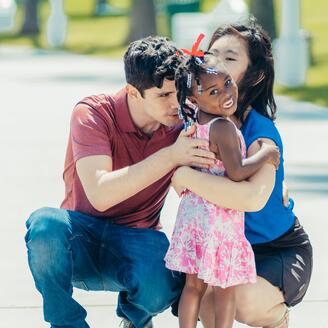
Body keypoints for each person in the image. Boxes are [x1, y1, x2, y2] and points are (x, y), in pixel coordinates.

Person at [24, 36, 217, 328]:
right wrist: (171, 156)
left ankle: (134, 318)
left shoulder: (184, 124)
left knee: (165, 274)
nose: (176, 103)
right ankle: (67, 324)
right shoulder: (93, 114)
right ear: (133, 92)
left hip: (138, 240)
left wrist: (267, 177)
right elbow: (101, 194)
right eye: (163, 95)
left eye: (177, 92)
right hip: (81, 238)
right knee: (44, 225)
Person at [171, 22, 313, 328]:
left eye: (230, 59)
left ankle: (276, 317)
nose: (216, 64)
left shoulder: (260, 133)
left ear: (254, 75)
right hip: (221, 240)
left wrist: (184, 175)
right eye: (212, 55)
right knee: (205, 300)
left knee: (240, 301)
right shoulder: (197, 124)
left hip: (275, 249)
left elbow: (250, 198)